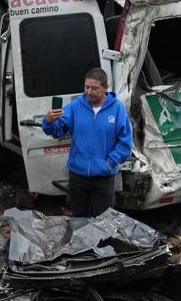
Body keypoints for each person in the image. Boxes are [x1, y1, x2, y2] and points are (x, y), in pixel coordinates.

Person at [40, 68, 132, 219]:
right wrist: (48, 121)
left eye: (94, 88)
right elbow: (57, 130)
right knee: (78, 217)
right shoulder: (75, 106)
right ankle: (80, 243)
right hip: (78, 175)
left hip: (104, 177)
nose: (89, 91)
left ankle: (102, 244)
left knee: (104, 219)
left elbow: (125, 142)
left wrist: (110, 162)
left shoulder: (117, 109)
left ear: (105, 88)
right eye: (86, 87)